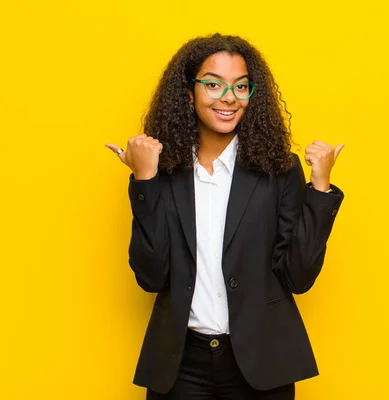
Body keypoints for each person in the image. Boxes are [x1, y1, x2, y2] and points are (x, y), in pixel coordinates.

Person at [105, 33, 344, 400]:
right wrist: (144, 179)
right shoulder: (162, 171)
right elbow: (150, 275)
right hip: (181, 365)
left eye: (241, 86)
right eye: (213, 84)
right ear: (189, 91)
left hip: (262, 364)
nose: (229, 97)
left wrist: (320, 189)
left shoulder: (278, 170)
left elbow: (298, 276)